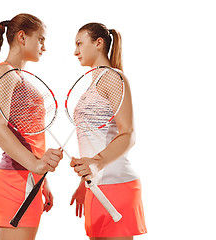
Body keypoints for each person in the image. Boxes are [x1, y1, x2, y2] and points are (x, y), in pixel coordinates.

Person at [0, 14, 63, 240]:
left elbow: (29, 136)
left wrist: (43, 179)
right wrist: (37, 166)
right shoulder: (5, 73)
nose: (44, 47)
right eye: (40, 39)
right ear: (22, 37)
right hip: (15, 182)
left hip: (28, 180)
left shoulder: (16, 75)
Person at [70, 22, 147, 240]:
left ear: (98, 43)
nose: (75, 51)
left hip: (116, 184)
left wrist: (96, 163)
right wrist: (82, 182)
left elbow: (128, 134)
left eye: (79, 44)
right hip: (96, 186)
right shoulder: (93, 83)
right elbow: (93, 140)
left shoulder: (113, 78)